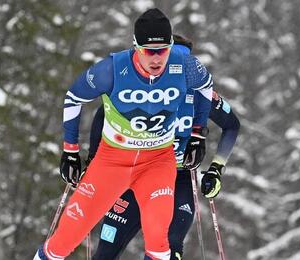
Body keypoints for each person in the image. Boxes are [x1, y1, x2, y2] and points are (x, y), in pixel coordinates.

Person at [33, 8, 214, 260]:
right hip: (112, 162)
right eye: (149, 51)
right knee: (64, 240)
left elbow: (206, 87)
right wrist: (70, 151)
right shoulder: (113, 69)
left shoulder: (184, 65)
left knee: (159, 243)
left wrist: (198, 134)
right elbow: (74, 98)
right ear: (136, 46)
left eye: (162, 50)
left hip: (158, 163)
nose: (156, 58)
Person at [90, 37, 241, 260]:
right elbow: (104, 112)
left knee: (168, 250)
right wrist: (94, 160)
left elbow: (232, 125)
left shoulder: (201, 92)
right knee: (105, 252)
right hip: (136, 175)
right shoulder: (143, 86)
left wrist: (216, 169)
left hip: (178, 179)